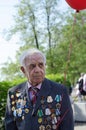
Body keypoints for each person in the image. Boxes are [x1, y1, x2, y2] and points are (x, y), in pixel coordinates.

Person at [5, 48, 74, 130]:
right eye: (32, 66)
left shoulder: (60, 90)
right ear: (23, 70)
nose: (37, 70)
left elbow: (67, 125)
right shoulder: (13, 93)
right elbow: (10, 126)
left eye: (41, 65)